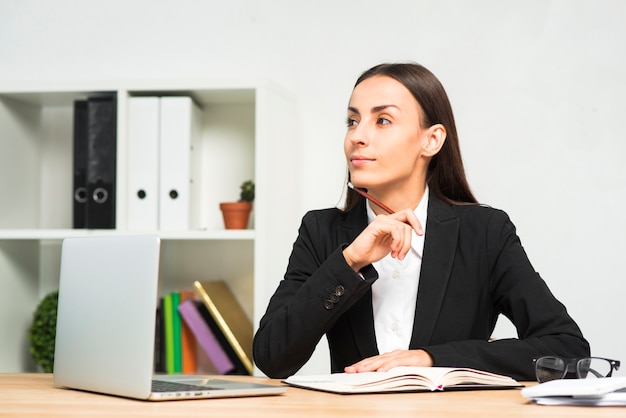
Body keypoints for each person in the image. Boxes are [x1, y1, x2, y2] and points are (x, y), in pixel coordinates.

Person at [253, 62, 590, 380]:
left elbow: (569, 349)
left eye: (382, 120)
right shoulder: (321, 231)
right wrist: (349, 261)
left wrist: (431, 359)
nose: (358, 136)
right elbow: (272, 357)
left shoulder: (485, 232)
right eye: (352, 121)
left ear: (431, 140)